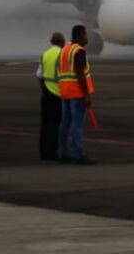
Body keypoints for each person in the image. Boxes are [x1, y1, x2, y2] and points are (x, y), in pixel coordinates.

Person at [56, 24, 96, 164]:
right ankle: (78, 154)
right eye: (85, 34)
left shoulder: (65, 49)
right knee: (76, 124)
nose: (86, 37)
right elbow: (80, 74)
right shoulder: (78, 51)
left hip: (65, 92)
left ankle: (63, 152)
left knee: (64, 123)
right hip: (76, 92)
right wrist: (87, 95)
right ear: (79, 36)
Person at [36, 31, 64, 161]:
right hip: (57, 94)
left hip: (46, 94)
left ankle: (43, 152)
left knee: (45, 123)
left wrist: (44, 88)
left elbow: (39, 75)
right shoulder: (62, 55)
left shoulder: (45, 54)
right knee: (55, 124)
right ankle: (52, 152)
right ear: (61, 42)